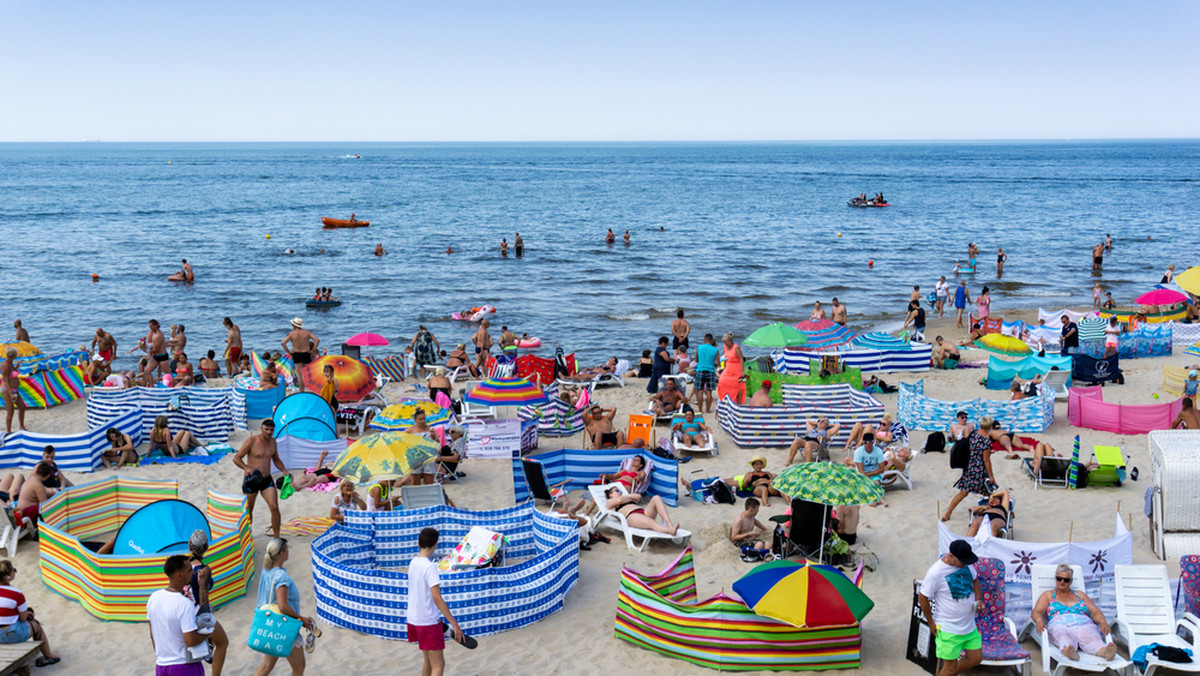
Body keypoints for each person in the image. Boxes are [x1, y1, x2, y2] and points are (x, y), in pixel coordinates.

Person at [406, 528, 466, 676]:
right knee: (438, 665)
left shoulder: (413, 562)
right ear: (436, 545)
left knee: (428, 661)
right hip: (427, 622)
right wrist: (454, 624)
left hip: (414, 620)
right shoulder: (430, 567)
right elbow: (437, 598)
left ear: (418, 543)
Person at [918, 540, 983, 676]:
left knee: (976, 658)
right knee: (950, 667)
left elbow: (975, 580)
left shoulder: (966, 565)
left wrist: (979, 599)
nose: (965, 564)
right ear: (951, 556)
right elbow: (923, 597)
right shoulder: (936, 572)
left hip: (969, 626)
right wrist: (931, 623)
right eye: (962, 561)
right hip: (948, 628)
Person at [1031, 563, 1119, 661]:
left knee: (1092, 637)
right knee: (1063, 636)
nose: (1062, 582)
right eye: (1059, 578)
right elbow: (1037, 611)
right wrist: (1039, 620)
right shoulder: (1048, 595)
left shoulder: (1080, 595)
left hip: (1084, 625)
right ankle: (1069, 651)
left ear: (1071, 581)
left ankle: (1105, 651)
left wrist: (1103, 622)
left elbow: (1095, 612)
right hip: (1060, 625)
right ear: (1055, 579)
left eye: (1066, 580)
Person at [254, 539, 315, 676]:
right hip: (283, 626)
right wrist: (301, 619)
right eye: (287, 549)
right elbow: (283, 606)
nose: (288, 552)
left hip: (269, 624)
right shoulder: (281, 576)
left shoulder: (266, 571)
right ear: (282, 553)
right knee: (299, 668)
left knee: (266, 666)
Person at [148, 555, 204, 676]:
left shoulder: (153, 598)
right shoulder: (185, 604)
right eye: (189, 570)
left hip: (161, 665)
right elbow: (190, 640)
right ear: (179, 576)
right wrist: (207, 633)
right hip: (184, 666)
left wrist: (163, 656)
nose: (193, 573)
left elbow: (152, 634)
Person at [233, 420, 286, 538]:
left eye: (271, 430)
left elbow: (276, 459)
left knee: (274, 506)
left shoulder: (273, 442)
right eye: (267, 429)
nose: (269, 432)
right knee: (248, 511)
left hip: (266, 479)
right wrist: (246, 468)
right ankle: (247, 537)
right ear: (261, 428)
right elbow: (236, 458)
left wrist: (284, 470)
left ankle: (277, 538)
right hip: (251, 480)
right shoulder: (251, 441)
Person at [186, 531, 228, 676]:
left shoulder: (182, 567)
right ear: (206, 548)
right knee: (222, 643)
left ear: (189, 545)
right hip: (199, 612)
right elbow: (204, 596)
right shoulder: (203, 571)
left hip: (184, 612)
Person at [941, 428, 997, 521]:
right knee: (989, 493)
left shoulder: (973, 435)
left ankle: (947, 514)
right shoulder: (985, 441)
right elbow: (986, 460)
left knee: (963, 492)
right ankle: (992, 515)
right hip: (979, 471)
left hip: (969, 468)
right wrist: (991, 476)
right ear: (990, 426)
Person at [603, 486, 679, 535]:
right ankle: (670, 530)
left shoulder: (625, 497)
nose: (620, 492)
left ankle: (669, 524)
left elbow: (638, 496)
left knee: (656, 497)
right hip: (631, 516)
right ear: (610, 495)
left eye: (620, 491)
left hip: (644, 512)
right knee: (652, 522)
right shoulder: (609, 502)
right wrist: (628, 497)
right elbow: (619, 501)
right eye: (617, 491)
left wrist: (625, 497)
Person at [15, 462, 56, 535]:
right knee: (46, 509)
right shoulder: (38, 485)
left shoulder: (31, 479)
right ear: (48, 476)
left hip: (20, 512)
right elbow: (45, 505)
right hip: (25, 514)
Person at [281, 318, 319, 386]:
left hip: (296, 354)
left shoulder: (291, 334)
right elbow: (317, 340)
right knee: (308, 374)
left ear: (294, 326)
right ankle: (310, 388)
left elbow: (283, 343)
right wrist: (313, 350)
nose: (292, 326)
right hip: (306, 354)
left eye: (292, 324)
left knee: (299, 375)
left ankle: (302, 390)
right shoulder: (307, 332)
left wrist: (289, 352)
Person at [692, 334, 720, 414]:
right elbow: (718, 363)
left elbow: (696, 360)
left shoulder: (699, 348)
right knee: (709, 391)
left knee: (700, 390)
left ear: (705, 340)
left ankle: (700, 409)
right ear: (711, 340)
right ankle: (707, 409)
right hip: (710, 370)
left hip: (701, 369)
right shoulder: (715, 350)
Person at [717, 333, 746, 405]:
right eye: (724, 342)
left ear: (730, 341)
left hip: (737, 369)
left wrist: (742, 371)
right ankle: (726, 399)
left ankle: (738, 403)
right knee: (722, 381)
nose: (725, 343)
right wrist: (723, 368)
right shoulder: (725, 347)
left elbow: (741, 359)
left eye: (726, 342)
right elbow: (726, 358)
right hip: (728, 368)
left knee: (738, 386)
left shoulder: (736, 348)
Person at [1, 348, 23, 435]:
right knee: (10, 411)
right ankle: (8, 432)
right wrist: (10, 393)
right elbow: (6, 379)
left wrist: (17, 366)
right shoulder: (5, 365)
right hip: (7, 390)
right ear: (13, 355)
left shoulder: (10, 363)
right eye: (16, 354)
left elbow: (12, 373)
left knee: (22, 407)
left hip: (14, 389)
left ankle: (22, 426)